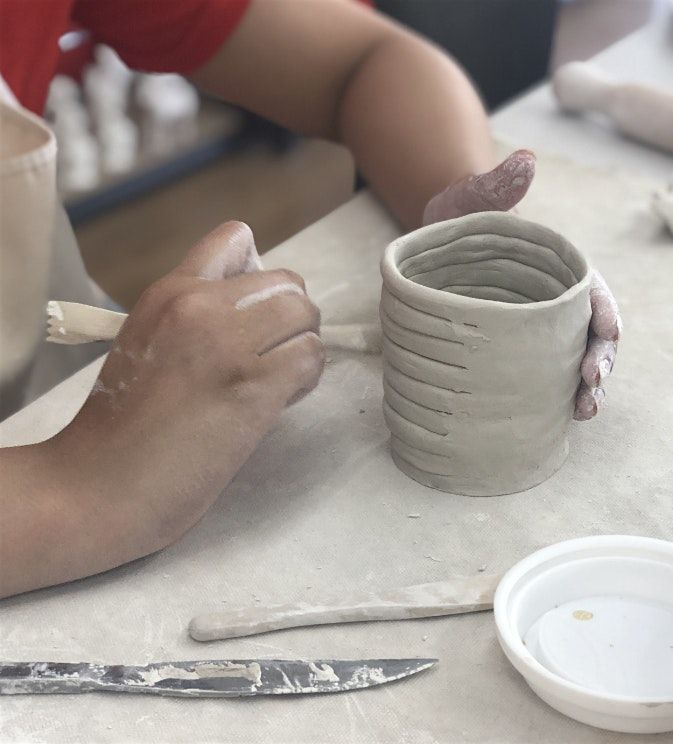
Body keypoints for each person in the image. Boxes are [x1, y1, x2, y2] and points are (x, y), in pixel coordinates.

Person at [0, 0, 620, 598]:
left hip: (48, 371)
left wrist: (467, 231)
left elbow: (362, 60)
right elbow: (82, 486)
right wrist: (77, 485)